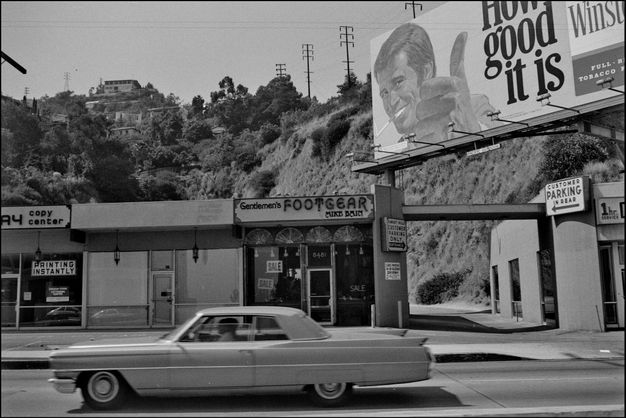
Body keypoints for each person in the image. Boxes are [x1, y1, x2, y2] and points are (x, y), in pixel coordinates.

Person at [374, 22, 500, 145]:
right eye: (384, 93)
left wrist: (475, 135)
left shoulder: (472, 107)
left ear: (426, 71)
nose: (391, 102)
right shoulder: (402, 147)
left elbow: (506, 142)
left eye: (398, 82)